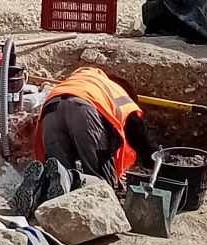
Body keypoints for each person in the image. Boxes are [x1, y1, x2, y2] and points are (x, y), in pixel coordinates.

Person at [29, 65, 157, 185]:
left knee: (59, 176)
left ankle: (43, 188)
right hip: (83, 110)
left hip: (51, 110)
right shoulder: (115, 90)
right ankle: (79, 183)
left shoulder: (81, 81)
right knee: (100, 182)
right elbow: (137, 130)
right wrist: (154, 160)